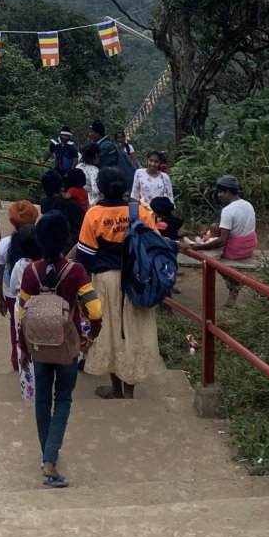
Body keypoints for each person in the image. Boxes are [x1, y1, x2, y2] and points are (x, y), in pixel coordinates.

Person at [17, 210, 103, 487]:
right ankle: (50, 459)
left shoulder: (31, 272)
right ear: (66, 239)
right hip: (67, 345)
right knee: (63, 398)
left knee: (42, 399)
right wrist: (91, 336)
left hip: (39, 346)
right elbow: (94, 310)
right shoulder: (76, 271)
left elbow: (21, 313)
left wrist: (23, 347)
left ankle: (47, 454)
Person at [75, 167, 162, 399]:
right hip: (136, 280)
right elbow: (155, 246)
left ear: (100, 188)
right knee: (133, 331)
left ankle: (116, 389)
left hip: (106, 281)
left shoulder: (93, 215)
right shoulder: (140, 212)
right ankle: (130, 391)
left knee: (111, 332)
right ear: (125, 188)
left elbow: (84, 259)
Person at [182, 175, 257, 306]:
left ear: (227, 191)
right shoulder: (247, 204)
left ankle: (232, 283)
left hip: (235, 251)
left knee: (210, 257)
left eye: (220, 192)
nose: (219, 195)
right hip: (249, 246)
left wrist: (199, 247)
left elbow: (222, 241)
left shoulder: (228, 210)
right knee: (212, 235)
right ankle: (233, 283)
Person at [0, 200, 40, 369]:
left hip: (12, 295)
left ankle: (17, 361)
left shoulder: (5, 243)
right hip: (36, 295)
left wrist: (0, 297)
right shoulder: (40, 241)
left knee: (15, 327)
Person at [38, 169, 85, 246]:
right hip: (70, 242)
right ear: (61, 186)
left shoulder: (44, 202)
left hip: (50, 241)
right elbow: (81, 222)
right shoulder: (70, 203)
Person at [89, 120, 136, 192]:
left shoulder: (106, 147)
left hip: (117, 185)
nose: (89, 134)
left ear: (97, 133)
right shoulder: (104, 144)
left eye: (91, 132)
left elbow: (101, 167)